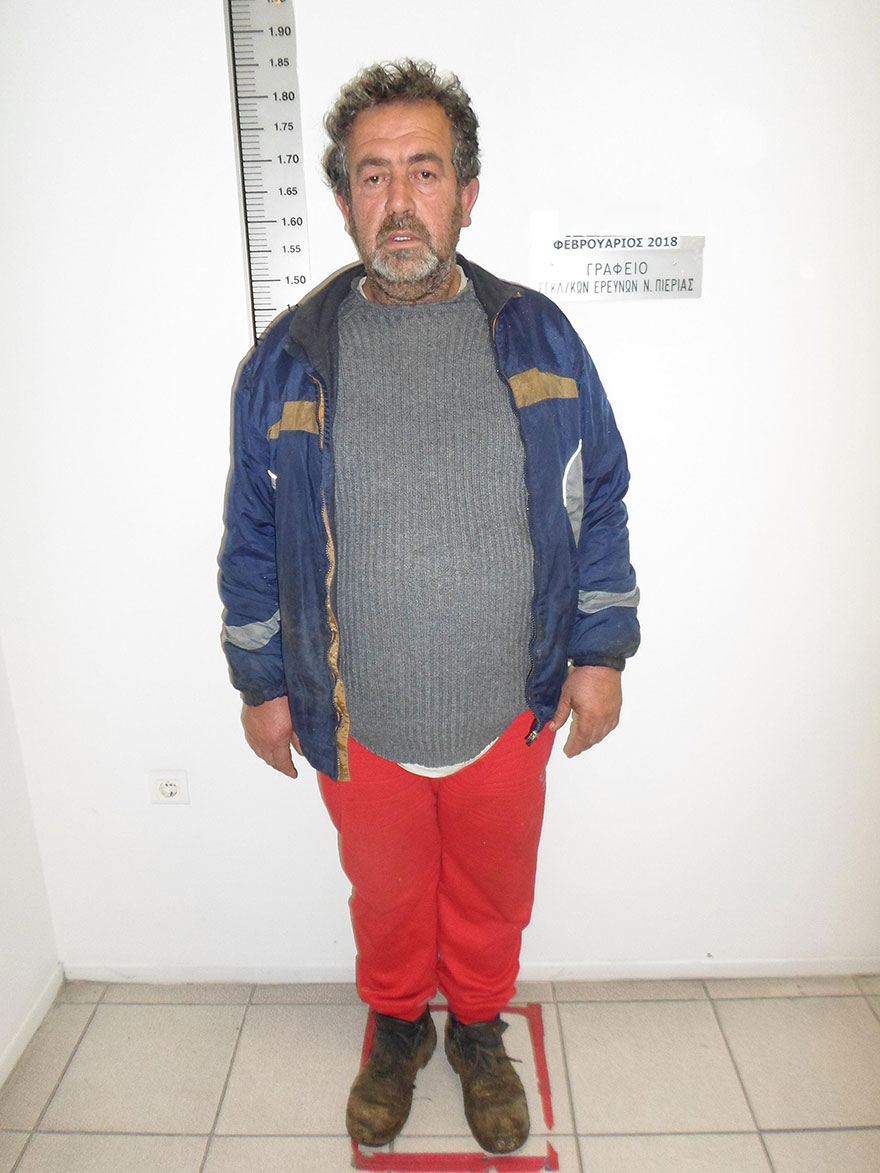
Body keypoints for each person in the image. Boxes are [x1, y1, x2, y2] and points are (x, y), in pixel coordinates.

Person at [219, 59, 639, 1155]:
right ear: (344, 199)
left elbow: (598, 495)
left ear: (467, 193)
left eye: (424, 170)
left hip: (511, 707)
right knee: (388, 896)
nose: (399, 201)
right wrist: (262, 683)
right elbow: (252, 536)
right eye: (373, 175)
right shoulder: (288, 363)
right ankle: (400, 1024)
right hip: (359, 717)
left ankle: (480, 1032)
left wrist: (600, 652)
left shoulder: (540, 336)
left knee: (494, 892)